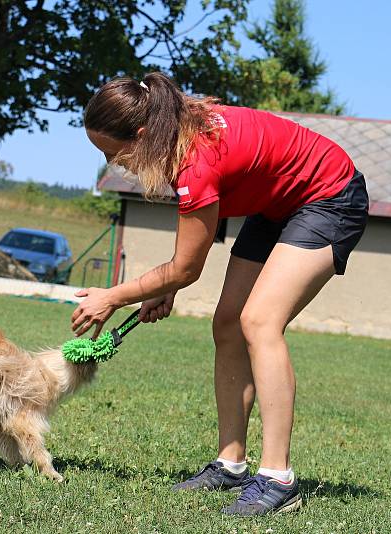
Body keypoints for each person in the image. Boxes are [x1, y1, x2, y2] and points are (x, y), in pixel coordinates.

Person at [71, 72, 368, 516]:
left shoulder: (194, 159)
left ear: (140, 134)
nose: (116, 166)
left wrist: (115, 296)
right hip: (276, 205)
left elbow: (188, 267)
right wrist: (163, 285)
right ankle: (231, 464)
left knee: (259, 320)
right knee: (228, 322)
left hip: (329, 197)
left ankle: (277, 479)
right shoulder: (176, 132)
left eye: (113, 154)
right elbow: (198, 239)